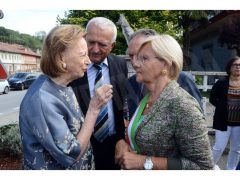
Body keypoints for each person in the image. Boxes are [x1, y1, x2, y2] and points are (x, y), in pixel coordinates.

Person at [19, 25, 113, 170]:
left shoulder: (62, 86)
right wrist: (94, 108)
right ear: (60, 57)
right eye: (83, 55)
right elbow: (71, 155)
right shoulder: (42, 99)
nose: (88, 61)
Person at [115, 34, 213, 170]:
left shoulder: (182, 104)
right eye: (137, 58)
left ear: (165, 64)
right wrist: (124, 143)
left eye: (144, 58)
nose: (135, 64)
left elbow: (202, 166)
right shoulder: (148, 97)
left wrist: (144, 162)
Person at [69, 17, 128, 170]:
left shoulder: (120, 65)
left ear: (112, 46)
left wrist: (121, 139)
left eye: (102, 44)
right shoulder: (72, 66)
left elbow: (120, 105)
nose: (95, 49)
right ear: (84, 39)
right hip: (80, 144)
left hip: (113, 143)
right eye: (91, 42)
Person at [125, 29, 203, 118]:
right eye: (131, 56)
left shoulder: (182, 79)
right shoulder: (132, 82)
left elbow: (197, 123)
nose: (135, 63)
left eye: (143, 57)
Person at [209, 56, 240, 170]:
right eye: (235, 65)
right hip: (223, 122)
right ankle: (208, 168)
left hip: (238, 124)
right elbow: (212, 98)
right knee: (219, 147)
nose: (238, 67)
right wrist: (223, 109)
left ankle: (230, 170)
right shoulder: (221, 83)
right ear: (229, 67)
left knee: (236, 149)